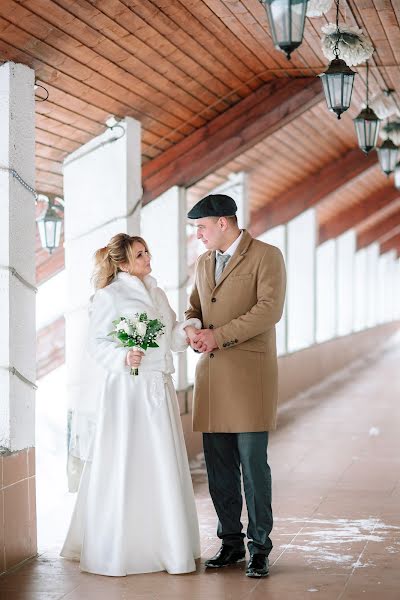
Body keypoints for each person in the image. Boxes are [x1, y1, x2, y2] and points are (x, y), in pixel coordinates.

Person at [60, 233, 201, 576]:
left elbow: (170, 339)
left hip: (158, 390)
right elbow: (96, 343)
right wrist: (124, 355)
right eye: (140, 255)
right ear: (122, 263)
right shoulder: (109, 296)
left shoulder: (157, 292)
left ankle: (168, 546)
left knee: (161, 463)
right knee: (127, 460)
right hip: (127, 392)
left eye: (147, 252)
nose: (148, 258)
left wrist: (190, 330)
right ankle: (122, 546)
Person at [184, 194, 286, 578]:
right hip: (211, 379)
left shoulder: (266, 255)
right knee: (219, 469)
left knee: (253, 468)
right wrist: (192, 327)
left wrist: (219, 334)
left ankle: (259, 547)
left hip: (248, 379)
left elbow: (268, 309)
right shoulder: (203, 262)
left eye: (202, 228)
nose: (199, 235)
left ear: (223, 223)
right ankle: (230, 543)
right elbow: (195, 307)